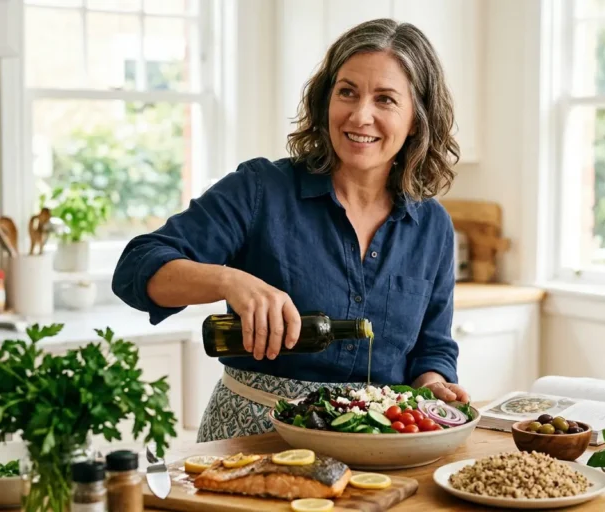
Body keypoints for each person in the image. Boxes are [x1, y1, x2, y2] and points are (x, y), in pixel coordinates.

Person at [112, 18, 469, 442]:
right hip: (254, 436)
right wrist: (229, 280)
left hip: (379, 443)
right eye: (347, 92)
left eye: (386, 99)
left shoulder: (432, 226)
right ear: (325, 101)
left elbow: (432, 347)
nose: (360, 115)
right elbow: (136, 268)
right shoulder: (261, 190)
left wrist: (431, 383)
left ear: (416, 119)